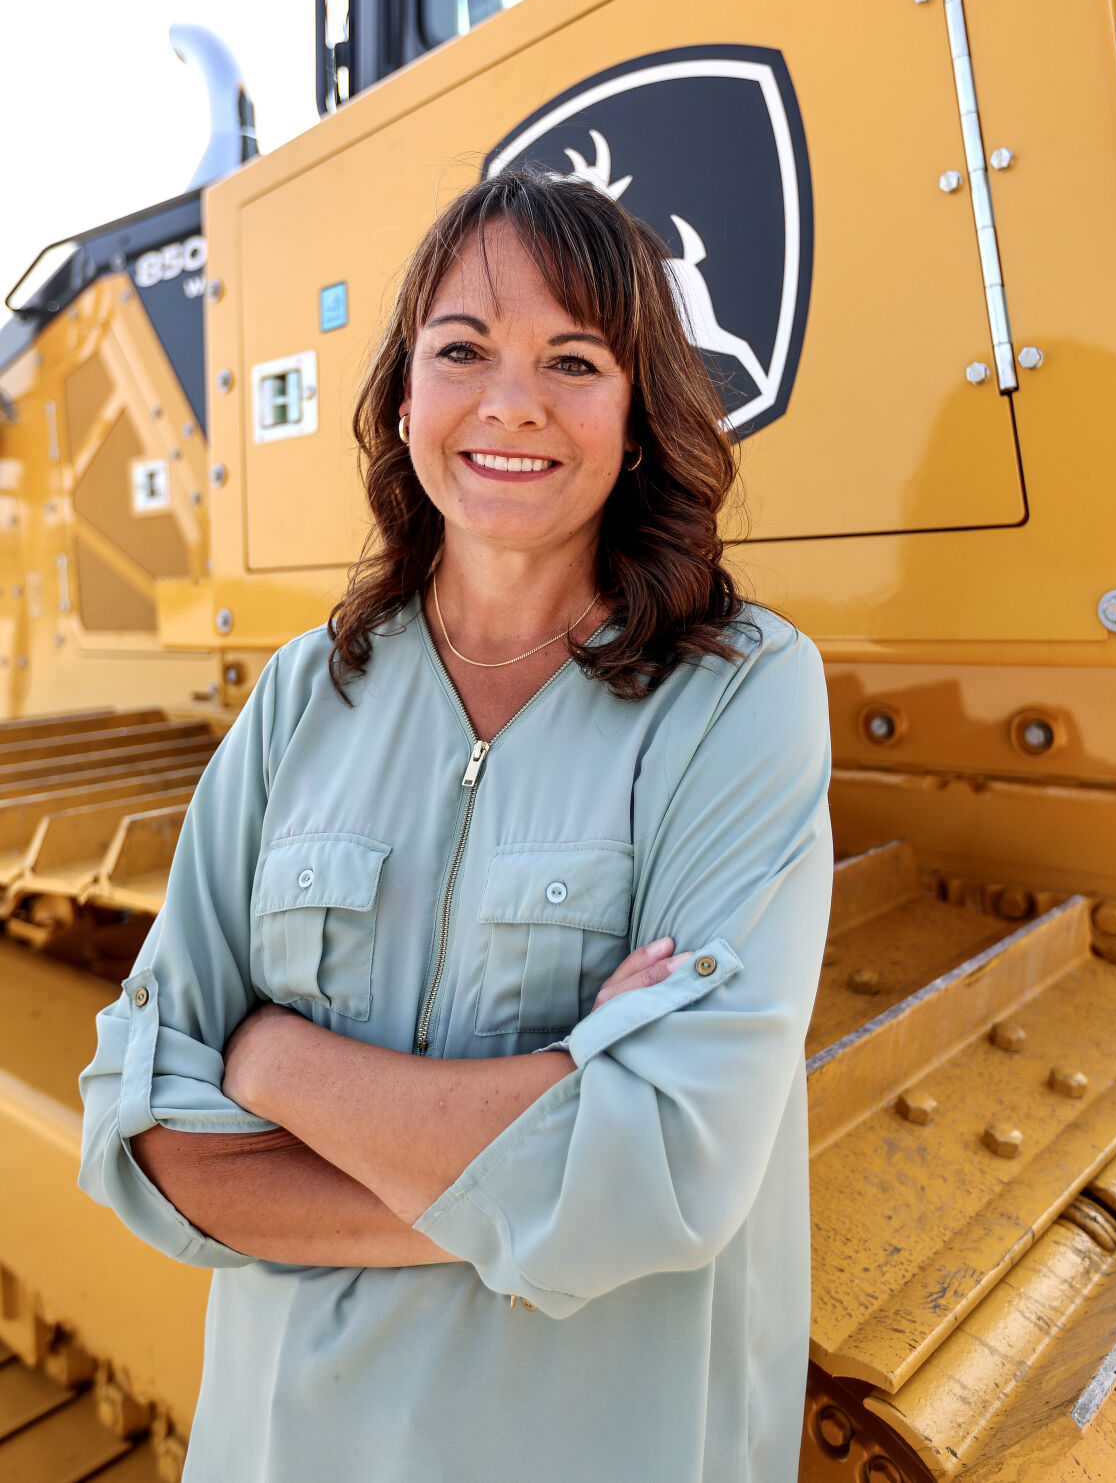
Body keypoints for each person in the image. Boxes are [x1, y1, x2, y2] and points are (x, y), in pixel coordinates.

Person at [77, 168, 833, 1483]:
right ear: (405, 398)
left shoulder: (741, 697)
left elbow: (670, 1171)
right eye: (463, 350)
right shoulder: (306, 694)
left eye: (573, 359)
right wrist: (545, 1164)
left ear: (642, 414)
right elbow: (137, 1124)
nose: (510, 402)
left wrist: (272, 1066)